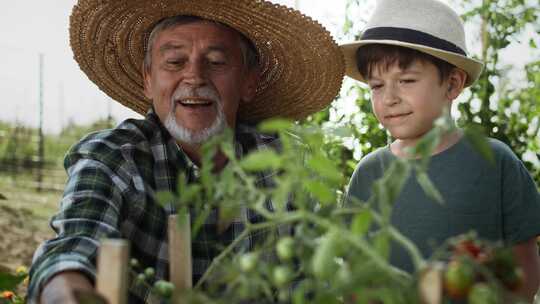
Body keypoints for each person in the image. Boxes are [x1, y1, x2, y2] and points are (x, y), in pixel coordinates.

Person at [28, 1, 344, 303]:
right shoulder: (116, 157)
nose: (194, 77)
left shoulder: (288, 162)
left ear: (249, 81)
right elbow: (76, 244)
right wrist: (65, 292)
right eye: (175, 62)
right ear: (148, 80)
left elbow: (314, 282)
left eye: (217, 62)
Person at [341, 0, 540, 301]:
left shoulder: (495, 162)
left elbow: (524, 259)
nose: (389, 98)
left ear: (452, 85)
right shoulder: (369, 173)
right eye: (377, 86)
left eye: (406, 81)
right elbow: (356, 273)